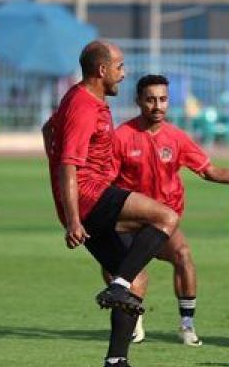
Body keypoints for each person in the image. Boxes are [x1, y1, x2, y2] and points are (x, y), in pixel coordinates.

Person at [111, 74, 229, 347]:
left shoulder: (177, 138)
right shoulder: (121, 137)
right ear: (138, 101)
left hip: (162, 221)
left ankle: (186, 326)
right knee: (127, 274)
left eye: (163, 99)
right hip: (128, 220)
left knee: (183, 254)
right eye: (150, 100)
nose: (158, 106)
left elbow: (211, 171)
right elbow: (104, 181)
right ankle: (134, 319)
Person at [43, 41, 182, 367]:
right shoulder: (83, 107)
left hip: (85, 201)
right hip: (90, 196)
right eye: (119, 67)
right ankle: (117, 286)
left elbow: (48, 129)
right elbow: (68, 163)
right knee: (165, 217)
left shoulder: (81, 98)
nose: (124, 73)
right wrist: (73, 218)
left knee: (138, 280)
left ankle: (116, 360)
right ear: (102, 70)